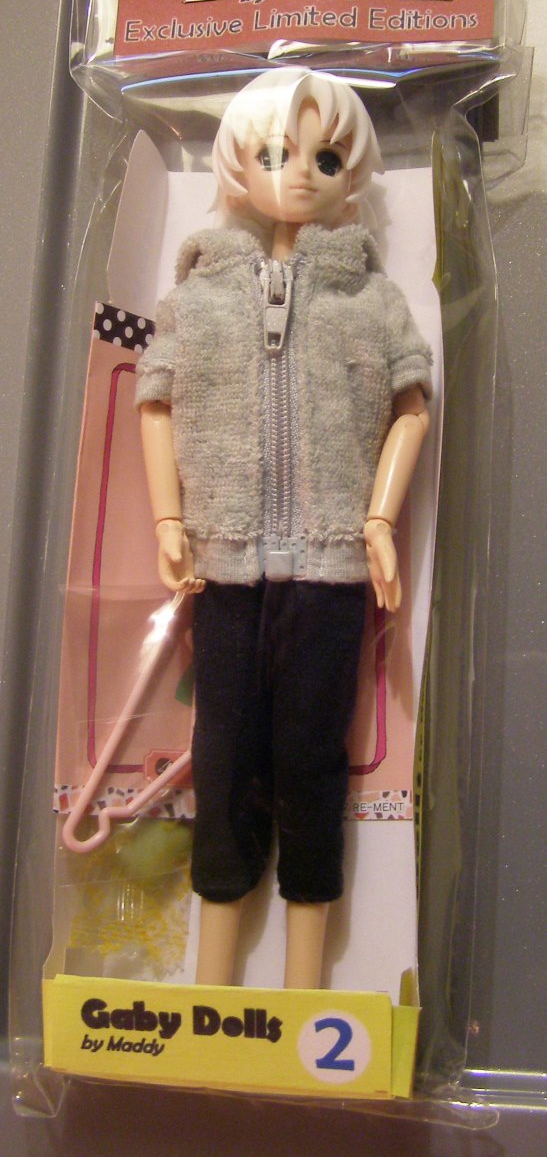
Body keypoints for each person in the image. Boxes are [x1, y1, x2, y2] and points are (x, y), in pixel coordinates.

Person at [136, 67, 432, 988]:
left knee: (310, 761)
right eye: (272, 153)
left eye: (325, 157)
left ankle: (305, 989)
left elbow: (411, 407)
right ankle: (210, 982)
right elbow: (156, 403)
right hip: (223, 570)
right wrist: (170, 516)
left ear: (351, 175)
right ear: (235, 166)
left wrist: (377, 518)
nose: (299, 173)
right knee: (222, 758)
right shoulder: (198, 296)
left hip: (332, 574)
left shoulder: (368, 298)